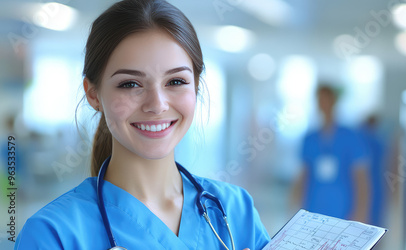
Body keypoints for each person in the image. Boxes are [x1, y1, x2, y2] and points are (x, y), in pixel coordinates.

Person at [14, 0, 270, 249]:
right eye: (130, 84)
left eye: (176, 81)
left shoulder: (235, 210)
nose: (157, 105)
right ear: (93, 95)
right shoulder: (52, 235)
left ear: (197, 87)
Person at [292, 84, 371, 222]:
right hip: (314, 205)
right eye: (320, 100)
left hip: (343, 206)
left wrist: (361, 211)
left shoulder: (350, 137)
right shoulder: (310, 139)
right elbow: (303, 175)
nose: (324, 104)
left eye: (326, 99)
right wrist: (294, 202)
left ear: (334, 101)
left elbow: (361, 178)